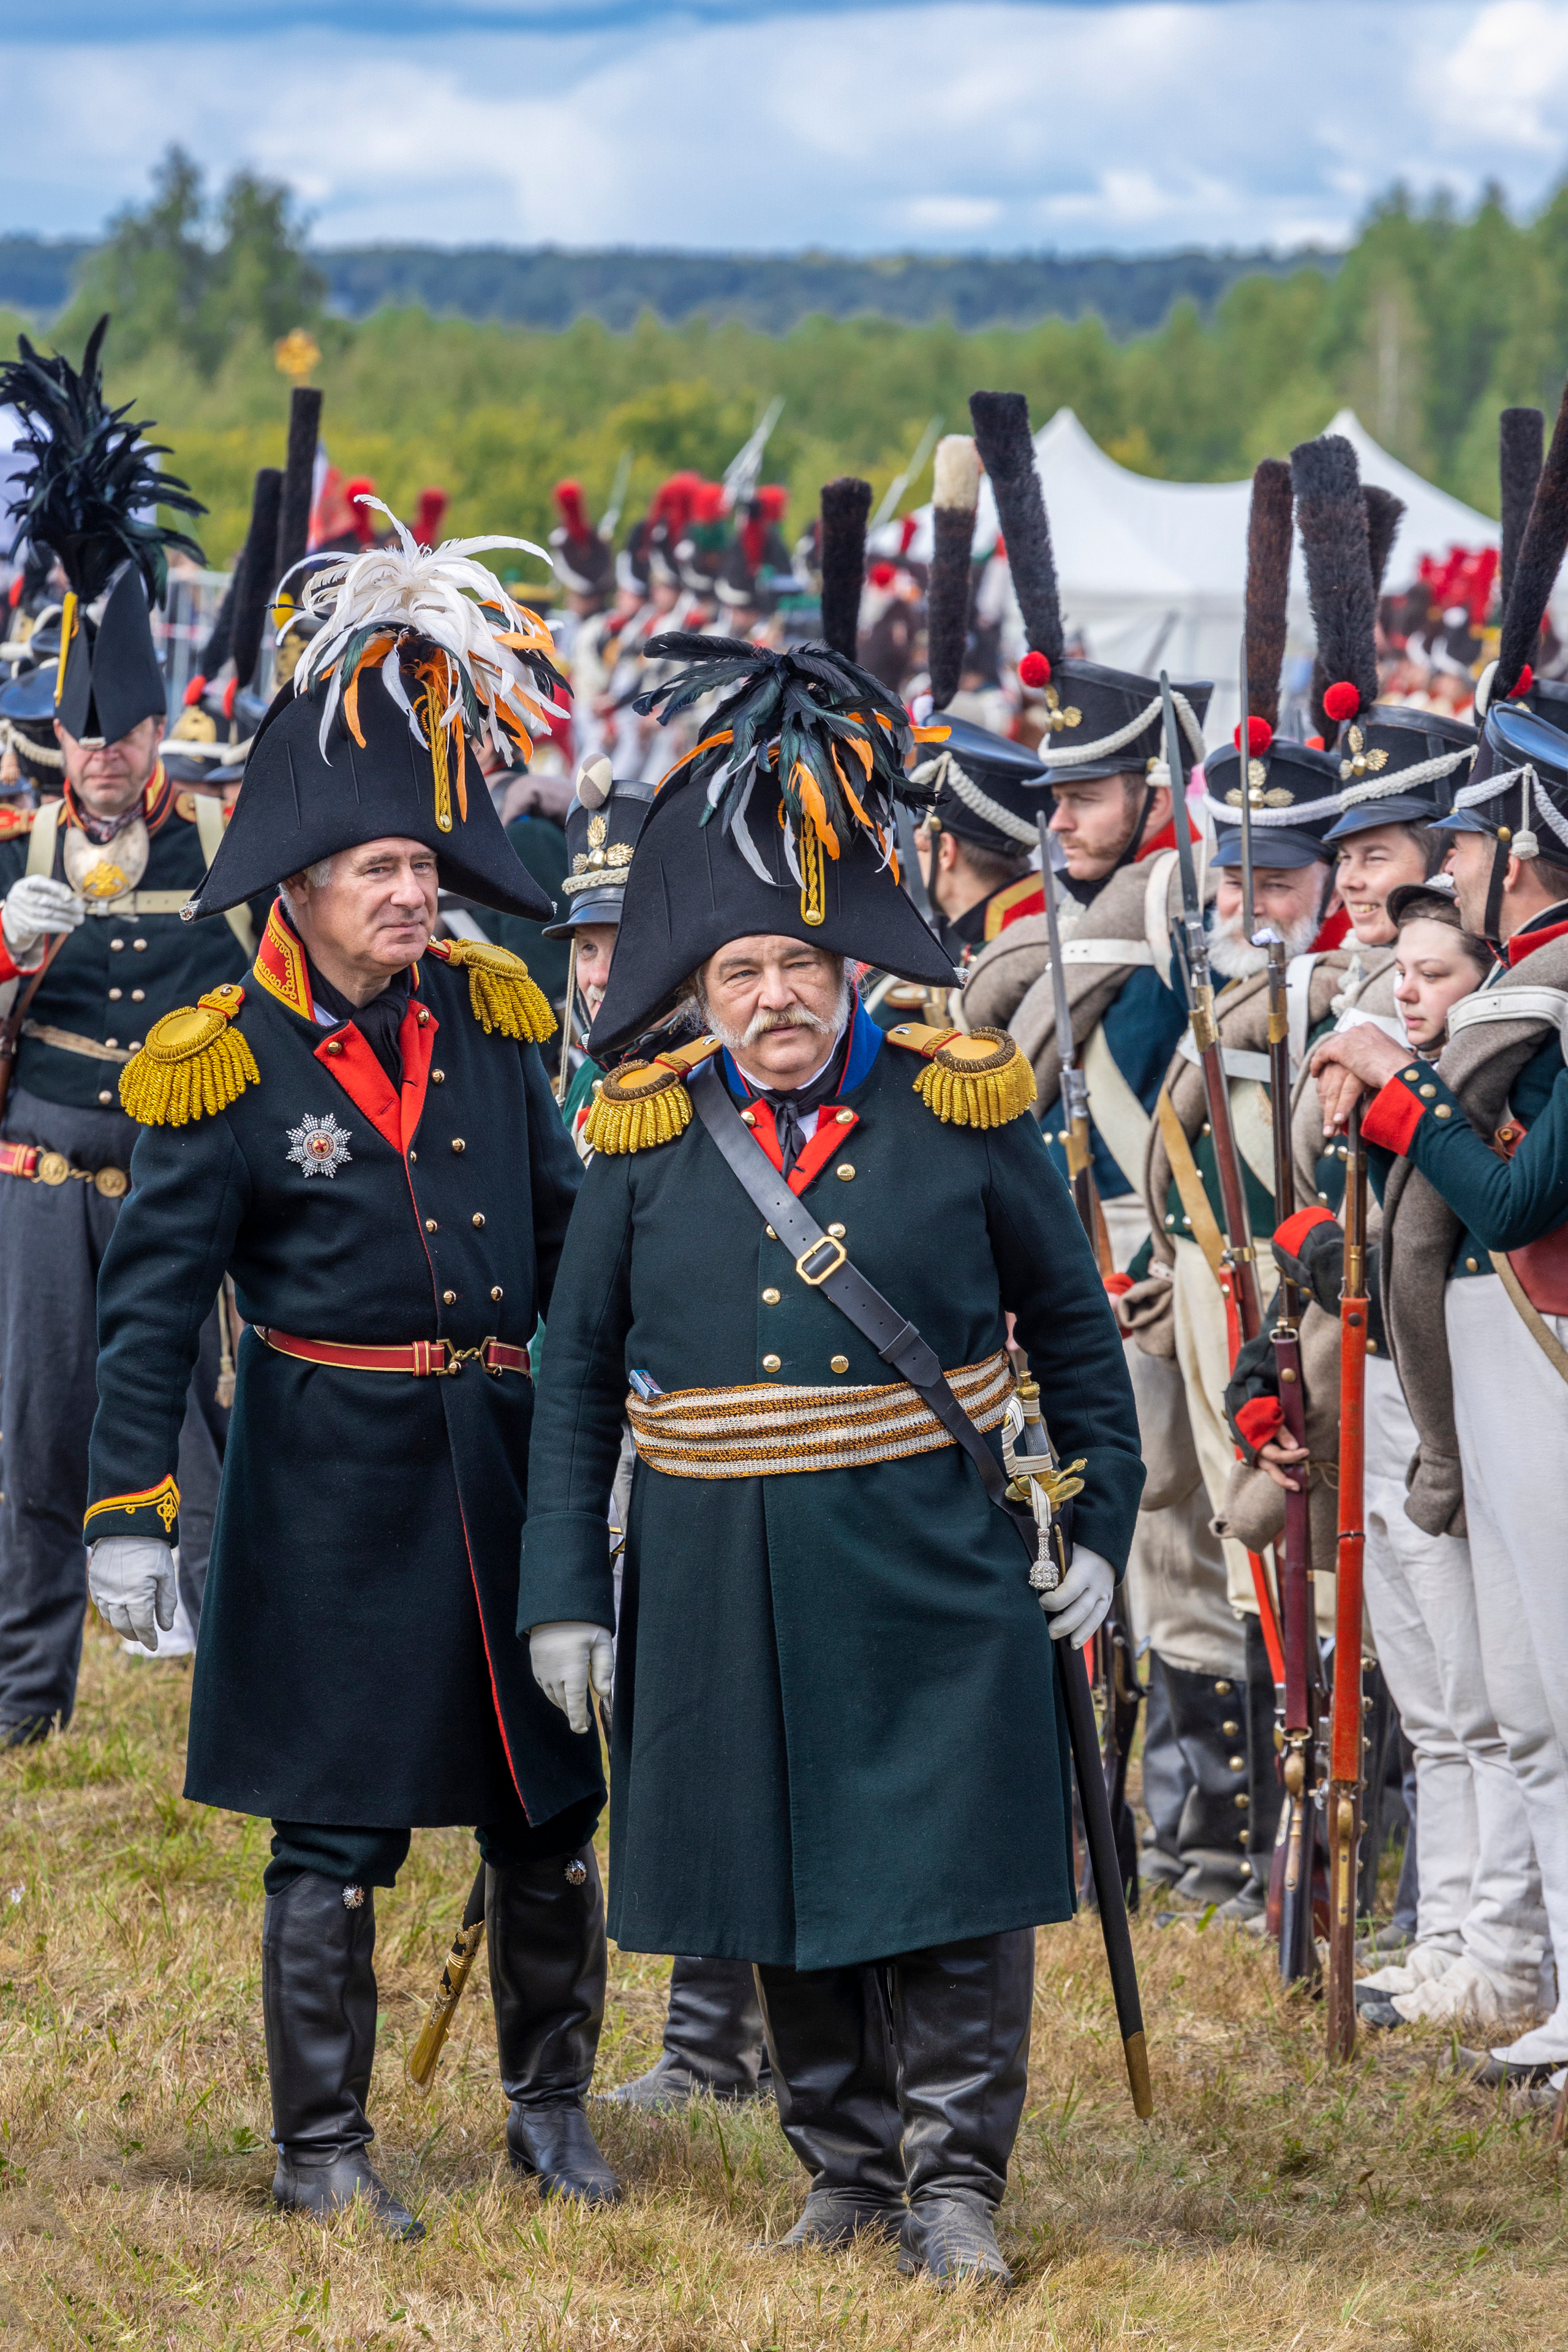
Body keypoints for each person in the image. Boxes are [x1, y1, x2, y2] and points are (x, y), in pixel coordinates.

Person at [518, 630, 1144, 2289]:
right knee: (774, 1872)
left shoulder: (963, 1104)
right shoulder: (648, 1136)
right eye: (737, 975)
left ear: (850, 967)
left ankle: (955, 2184)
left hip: (931, 1550)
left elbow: (1073, 1332)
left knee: (944, 1878)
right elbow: (576, 1381)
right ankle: (845, 2167)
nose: (774, 998)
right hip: (721, 1565)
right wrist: (567, 1599)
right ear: (699, 997)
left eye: (798, 962)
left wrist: (1102, 1525)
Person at [81, 513, 620, 2236]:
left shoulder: (489, 1019)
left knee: (545, 1814)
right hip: (324, 1475)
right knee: (333, 1837)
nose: (414, 896)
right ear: (302, 886)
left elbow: (567, 1243)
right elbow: (154, 1302)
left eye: (427, 869)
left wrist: (631, 1409)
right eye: (380, 872)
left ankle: (551, 2115)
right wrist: (125, 1510)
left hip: (500, 1455)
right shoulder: (216, 1054)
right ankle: (323, 2150)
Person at [1311, 690, 1568, 2098]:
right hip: (1503, 1347)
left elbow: (1525, 1190)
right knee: (1529, 1702)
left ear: (1515, 850)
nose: (1447, 859)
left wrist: (1399, 1089)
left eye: (1471, 836)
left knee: (1556, 1692)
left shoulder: (1555, 983)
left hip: (1543, 1347)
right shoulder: (1529, 979)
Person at [0, 322, 252, 1739]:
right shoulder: (14, 846)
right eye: (85, 736)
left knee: (199, 1432)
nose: (105, 758)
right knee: (37, 1442)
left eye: (127, 734)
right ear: (57, 738)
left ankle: (230, 1679)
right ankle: (25, 1698)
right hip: (37, 1181)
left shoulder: (215, 847)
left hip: (169, 1177)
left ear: (159, 735)